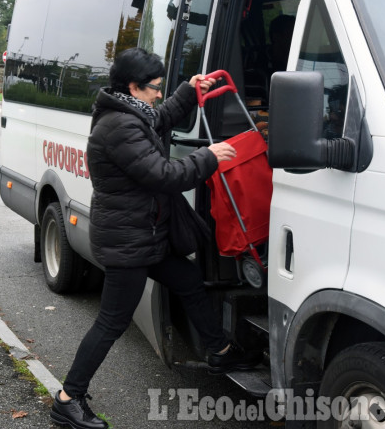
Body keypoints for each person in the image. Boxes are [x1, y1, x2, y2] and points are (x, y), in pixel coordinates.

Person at [50, 48, 261, 429]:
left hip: (144, 237)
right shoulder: (118, 127)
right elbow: (164, 174)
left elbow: (159, 118)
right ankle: (69, 397)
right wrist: (210, 156)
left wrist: (190, 89)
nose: (158, 95)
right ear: (133, 86)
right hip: (129, 244)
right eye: (155, 89)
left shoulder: (130, 112)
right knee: (112, 323)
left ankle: (220, 350)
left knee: (189, 281)